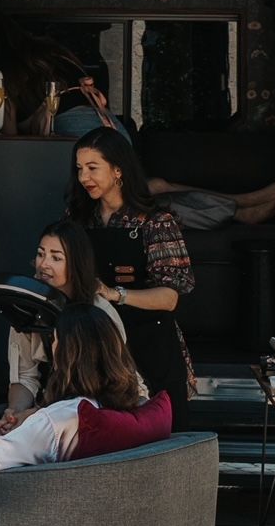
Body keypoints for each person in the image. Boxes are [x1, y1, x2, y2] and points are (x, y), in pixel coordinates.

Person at [0, 308, 175, 481]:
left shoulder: (61, 419)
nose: (51, 347)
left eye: (55, 340)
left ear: (68, 353)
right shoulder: (134, 409)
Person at [71, 127, 196, 418]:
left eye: (92, 168)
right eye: (79, 169)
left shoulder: (156, 222)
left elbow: (169, 297)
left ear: (118, 170)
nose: (83, 178)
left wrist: (114, 294)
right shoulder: (78, 218)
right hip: (94, 345)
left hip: (149, 343)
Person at [56, 69, 275, 226]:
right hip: (107, 197)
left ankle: (238, 204)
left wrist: (100, 106)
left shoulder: (97, 120)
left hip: (118, 186)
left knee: (157, 186)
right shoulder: (53, 119)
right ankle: (238, 210)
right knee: (162, 201)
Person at [0, 225, 124, 428]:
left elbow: (99, 391)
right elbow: (24, 376)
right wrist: (16, 413)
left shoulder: (99, 312)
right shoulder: (25, 309)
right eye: (41, 254)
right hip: (47, 413)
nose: (44, 264)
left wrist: (36, 415)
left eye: (56, 258)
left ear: (76, 265)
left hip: (97, 415)